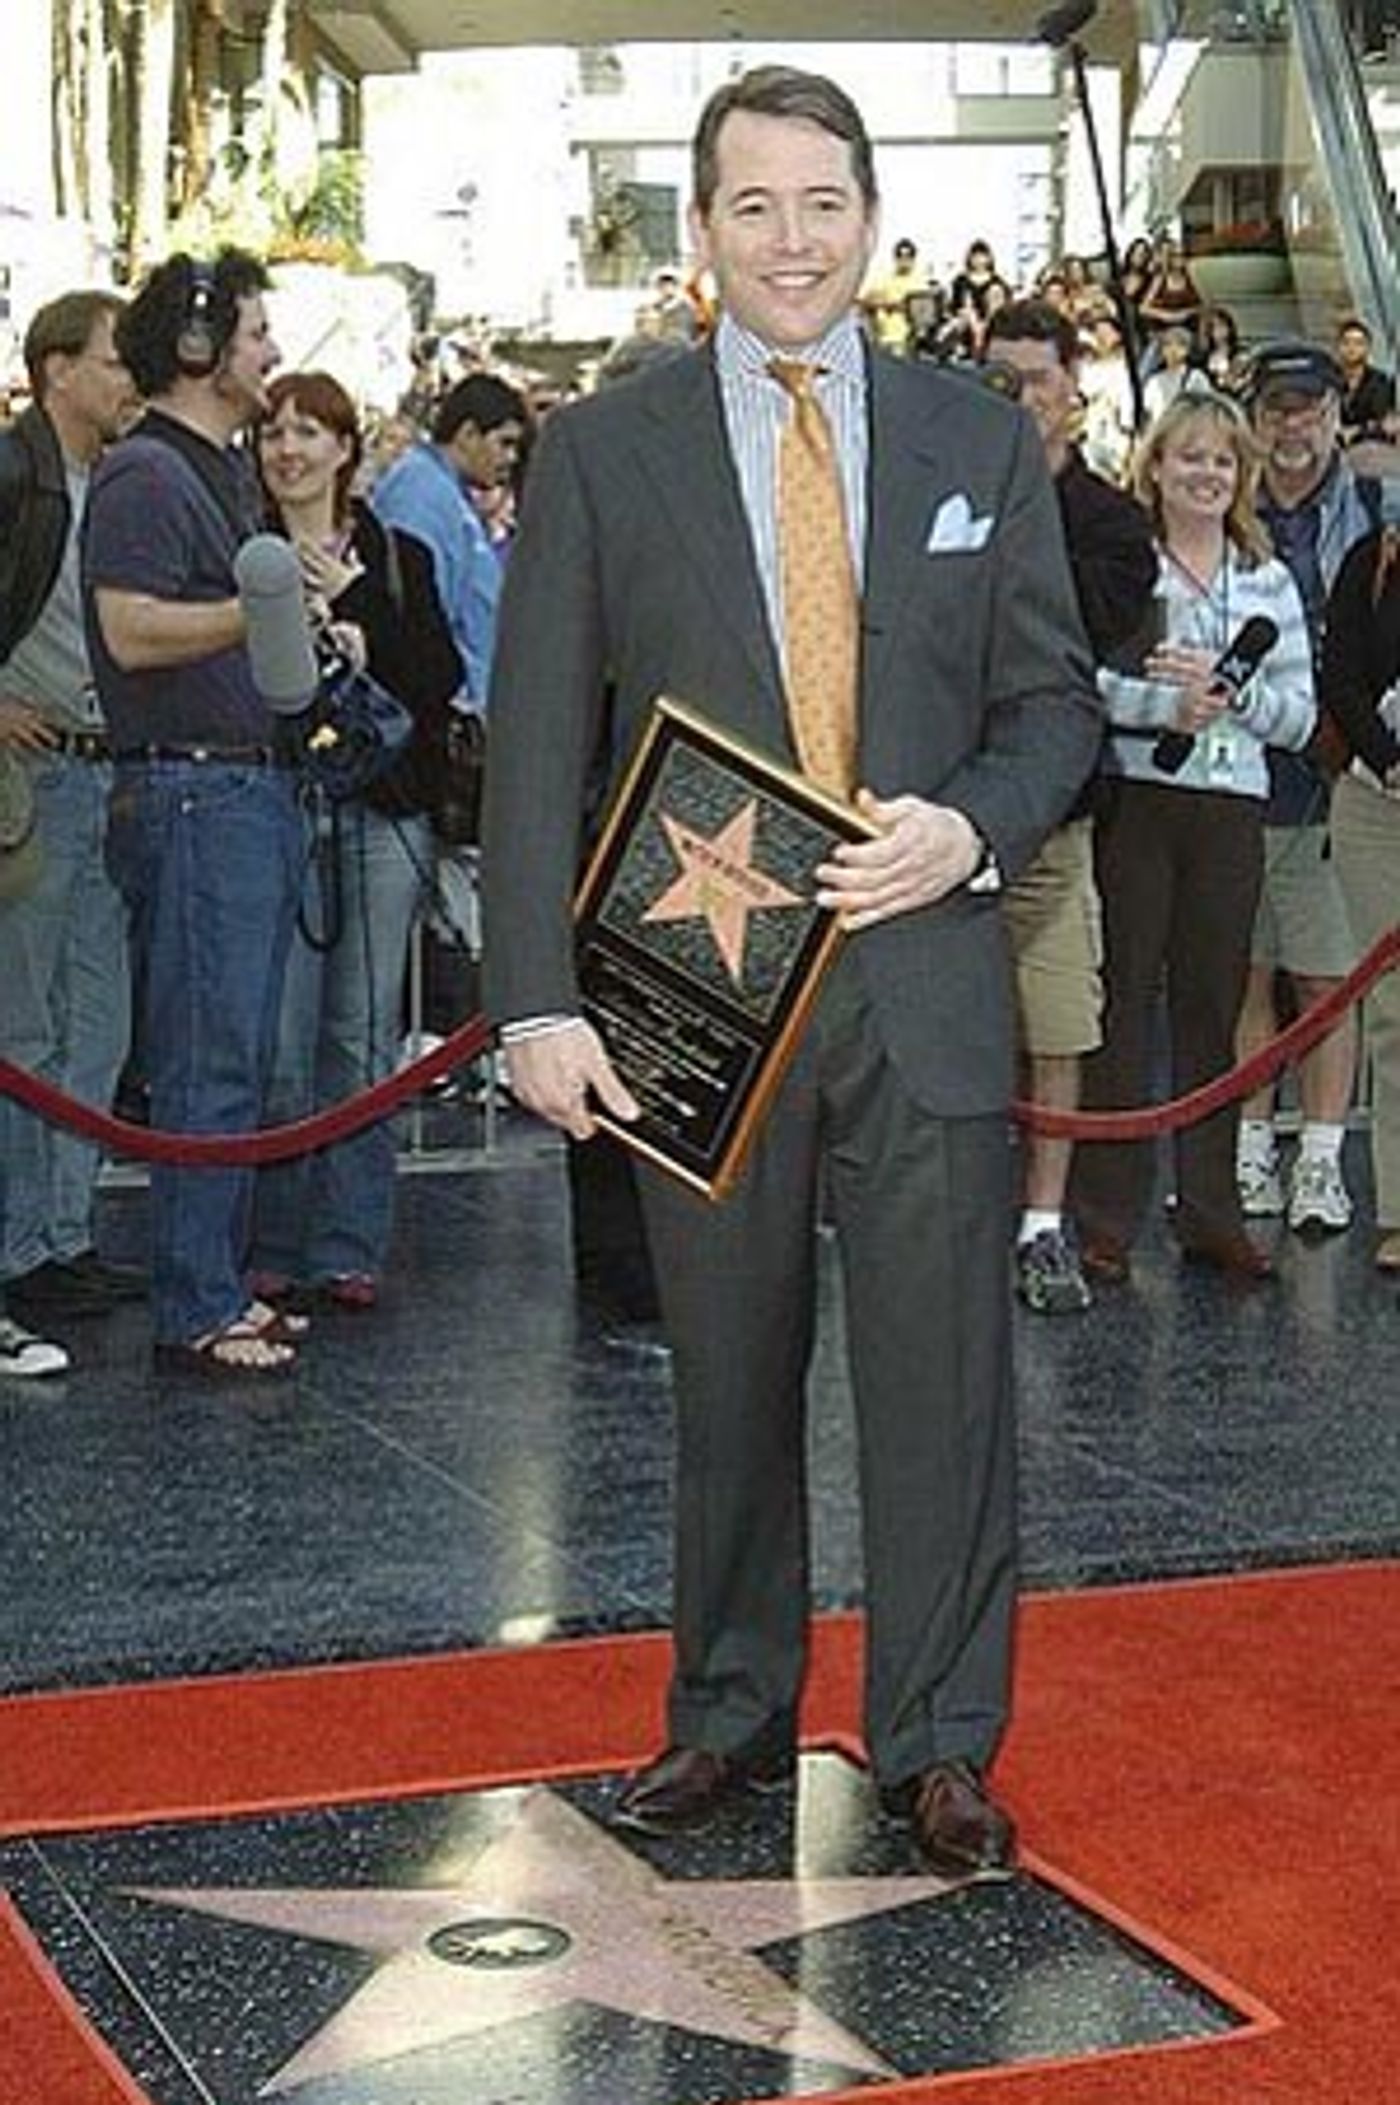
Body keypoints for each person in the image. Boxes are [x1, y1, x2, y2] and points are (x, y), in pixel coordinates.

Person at [482, 65, 1100, 1876]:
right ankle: (729, 1716)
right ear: (698, 236)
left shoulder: (980, 440)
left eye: (820, 204)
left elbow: (1053, 706)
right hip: (702, 991)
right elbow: (535, 742)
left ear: (873, 221)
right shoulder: (606, 446)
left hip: (926, 977)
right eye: (750, 208)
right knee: (726, 1375)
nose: (790, 242)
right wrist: (534, 996)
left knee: (945, 1391)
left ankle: (939, 1745)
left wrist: (968, 830)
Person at [83, 248, 305, 1376]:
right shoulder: (147, 478)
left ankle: (213, 1279)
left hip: (233, 788)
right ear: (199, 348)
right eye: (258, 331)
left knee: (233, 1054)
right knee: (208, 1056)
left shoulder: (210, 474)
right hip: (193, 792)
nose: (272, 352)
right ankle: (196, 1299)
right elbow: (128, 629)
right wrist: (258, 611)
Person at [1069, 389, 1316, 1284]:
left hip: (1231, 810)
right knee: (1123, 1004)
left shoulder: (1268, 579)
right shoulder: (1132, 569)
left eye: (1222, 459)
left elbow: (1298, 716)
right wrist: (1162, 704)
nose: (1206, 473)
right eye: (1189, 457)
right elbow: (1088, 683)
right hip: (1140, 801)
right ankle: (1104, 1217)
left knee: (1213, 1005)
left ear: (1240, 473)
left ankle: (1208, 1208)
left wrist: (1234, 695)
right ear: (1157, 467)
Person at [246, 372, 462, 1312]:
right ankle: (272, 1240)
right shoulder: (242, 556)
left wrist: (365, 604)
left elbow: (435, 680)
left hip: (379, 809)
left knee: (362, 1035)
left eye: (308, 431)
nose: (288, 448)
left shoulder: (398, 555)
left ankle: (347, 1242)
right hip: (277, 804)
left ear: (345, 447)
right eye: (274, 431)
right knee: (282, 1041)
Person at [984, 299, 1158, 1314]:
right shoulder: (928, 505)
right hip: (941, 826)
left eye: (1031, 380)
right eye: (993, 378)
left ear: (1069, 394)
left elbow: (1077, 632)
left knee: (1057, 1028)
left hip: (1052, 827)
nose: (1010, 398)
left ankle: (1043, 1223)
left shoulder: (1104, 523)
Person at [0, 289, 138, 1372]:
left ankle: (66, 1231)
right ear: (56, 369)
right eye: (111, 358)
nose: (127, 375)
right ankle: (25, 1243)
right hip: (30, 778)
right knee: (30, 1024)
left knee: (97, 1017)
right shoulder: (17, 472)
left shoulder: (121, 481)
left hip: (102, 774)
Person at [1235, 342, 1375, 1236]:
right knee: (1242, 974)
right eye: (1280, 408)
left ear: (1335, 413)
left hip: (1335, 779)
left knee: (1327, 976)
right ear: (1256, 415)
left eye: (1311, 407)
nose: (1295, 425)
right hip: (1240, 777)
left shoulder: (1374, 511)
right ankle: (1248, 1146)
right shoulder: (1221, 502)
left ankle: (1320, 1158)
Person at [1320, 522, 1400, 1271]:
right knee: (1395, 1010)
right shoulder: (1373, 557)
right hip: (1379, 801)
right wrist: (1391, 758)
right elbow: (1338, 673)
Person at [1335, 316, 1396, 448]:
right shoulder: (1331, 380)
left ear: (1367, 348)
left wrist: (1356, 431)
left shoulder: (1379, 380)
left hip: (1373, 448)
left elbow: (1381, 420)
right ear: (1339, 347)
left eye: (1358, 343)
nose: (1352, 348)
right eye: (1346, 342)